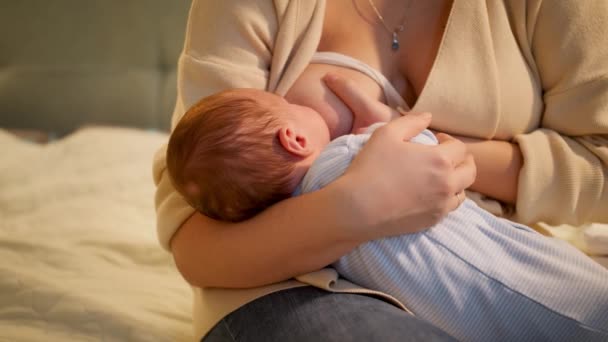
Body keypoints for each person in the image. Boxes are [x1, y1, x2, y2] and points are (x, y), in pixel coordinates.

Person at [153, 0, 608, 341]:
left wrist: (447, 159)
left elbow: (599, 165)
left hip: (486, 264)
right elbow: (195, 242)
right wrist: (355, 207)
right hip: (293, 285)